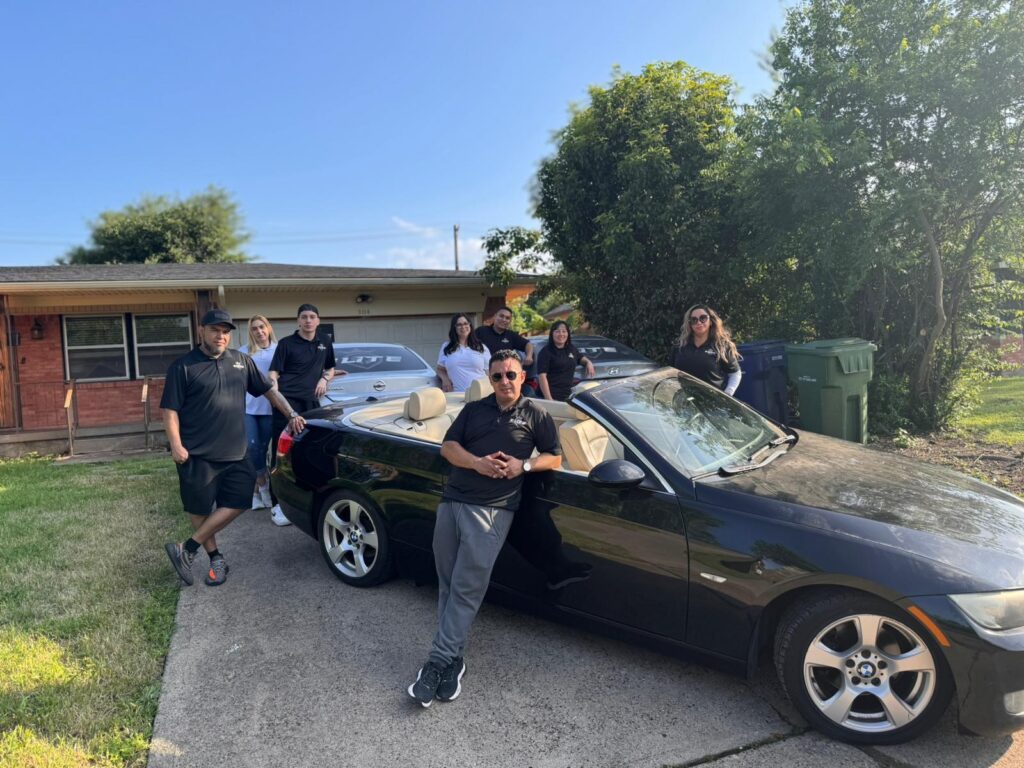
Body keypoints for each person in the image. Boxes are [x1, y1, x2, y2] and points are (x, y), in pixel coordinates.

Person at [407, 349, 561, 708]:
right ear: (490, 379)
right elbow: (448, 448)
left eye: (511, 375)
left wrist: (523, 466)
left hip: (492, 511)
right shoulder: (474, 409)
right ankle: (454, 660)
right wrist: (477, 463)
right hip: (451, 503)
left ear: (522, 377)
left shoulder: (536, 414)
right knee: (448, 585)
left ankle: (435, 663)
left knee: (465, 589)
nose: (505, 381)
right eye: (497, 376)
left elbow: (554, 456)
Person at [162, 309, 306, 587]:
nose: (221, 336)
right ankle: (216, 558)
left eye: (226, 332)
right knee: (199, 508)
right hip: (196, 453)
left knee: (239, 502)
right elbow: (170, 411)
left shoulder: (241, 361)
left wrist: (291, 414)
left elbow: (269, 391)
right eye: (215, 330)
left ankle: (187, 549)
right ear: (201, 331)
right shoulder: (183, 366)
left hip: (236, 451)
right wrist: (176, 445)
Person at [267, 303, 341, 526]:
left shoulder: (325, 341)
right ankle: (276, 504)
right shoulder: (286, 344)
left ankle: (305, 496)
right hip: (287, 402)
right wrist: (274, 390)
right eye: (304, 317)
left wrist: (324, 379)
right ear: (298, 321)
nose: (308, 320)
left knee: (308, 448)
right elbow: (273, 372)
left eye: (312, 317)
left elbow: (330, 368)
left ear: (318, 320)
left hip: (311, 403)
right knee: (281, 451)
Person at [239, 315, 278, 512]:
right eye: (254, 328)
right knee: (253, 447)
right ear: (250, 332)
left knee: (262, 450)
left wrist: (327, 373)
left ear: (268, 328)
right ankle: (263, 487)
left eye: (262, 327)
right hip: (248, 408)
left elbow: (299, 369)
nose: (259, 331)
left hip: (270, 408)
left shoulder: (279, 349)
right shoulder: (243, 352)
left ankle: (255, 491)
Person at [670, 304, 742, 395]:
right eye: (694, 320)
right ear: (689, 324)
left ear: (711, 321)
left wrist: (728, 394)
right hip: (683, 400)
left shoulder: (721, 346)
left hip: (711, 401)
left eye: (703, 318)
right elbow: (671, 372)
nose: (699, 322)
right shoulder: (679, 345)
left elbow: (735, 373)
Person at [536, 320, 596, 401]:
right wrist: (549, 399)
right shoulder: (546, 352)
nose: (561, 334)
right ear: (552, 334)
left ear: (568, 334)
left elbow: (580, 358)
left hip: (567, 396)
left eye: (564, 331)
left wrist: (588, 362)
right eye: (557, 331)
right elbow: (542, 376)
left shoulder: (571, 349)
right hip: (549, 397)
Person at [436, 313, 491, 393]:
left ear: (470, 325)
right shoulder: (447, 347)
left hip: (480, 394)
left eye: (466, 323)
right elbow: (440, 369)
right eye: (459, 325)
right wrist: (445, 379)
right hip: (456, 395)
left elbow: (489, 372)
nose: (463, 327)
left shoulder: (481, 347)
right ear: (454, 328)